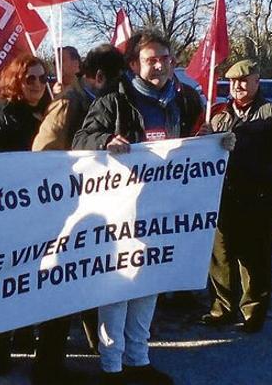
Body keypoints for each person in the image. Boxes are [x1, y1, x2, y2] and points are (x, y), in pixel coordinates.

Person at [72, 28, 209, 385]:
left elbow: (195, 138)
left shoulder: (183, 99)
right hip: (120, 210)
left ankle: (138, 358)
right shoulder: (113, 100)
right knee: (117, 286)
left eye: (165, 59)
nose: (160, 66)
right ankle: (111, 365)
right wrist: (104, 139)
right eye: (151, 60)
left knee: (150, 282)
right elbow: (80, 140)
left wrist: (212, 142)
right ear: (134, 65)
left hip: (162, 209)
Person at [30, 44, 125, 382]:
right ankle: (47, 367)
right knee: (60, 290)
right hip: (65, 212)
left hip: (91, 208)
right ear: (99, 77)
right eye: (117, 79)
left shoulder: (95, 101)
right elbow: (43, 154)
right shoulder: (69, 104)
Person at [199, 60, 272, 333]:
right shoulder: (219, 117)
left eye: (244, 80)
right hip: (224, 197)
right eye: (233, 81)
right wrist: (204, 137)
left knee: (255, 256)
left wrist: (269, 183)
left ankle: (253, 311)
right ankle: (221, 308)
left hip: (258, 197)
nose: (238, 86)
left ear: (257, 81)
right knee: (220, 255)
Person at [0, 54, 48, 378]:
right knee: (7, 281)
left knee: (32, 277)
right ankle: (1, 352)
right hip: (9, 213)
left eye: (42, 78)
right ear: (15, 80)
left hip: (40, 210)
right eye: (29, 78)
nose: (36, 84)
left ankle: (24, 335)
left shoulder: (47, 112)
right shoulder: (1, 113)